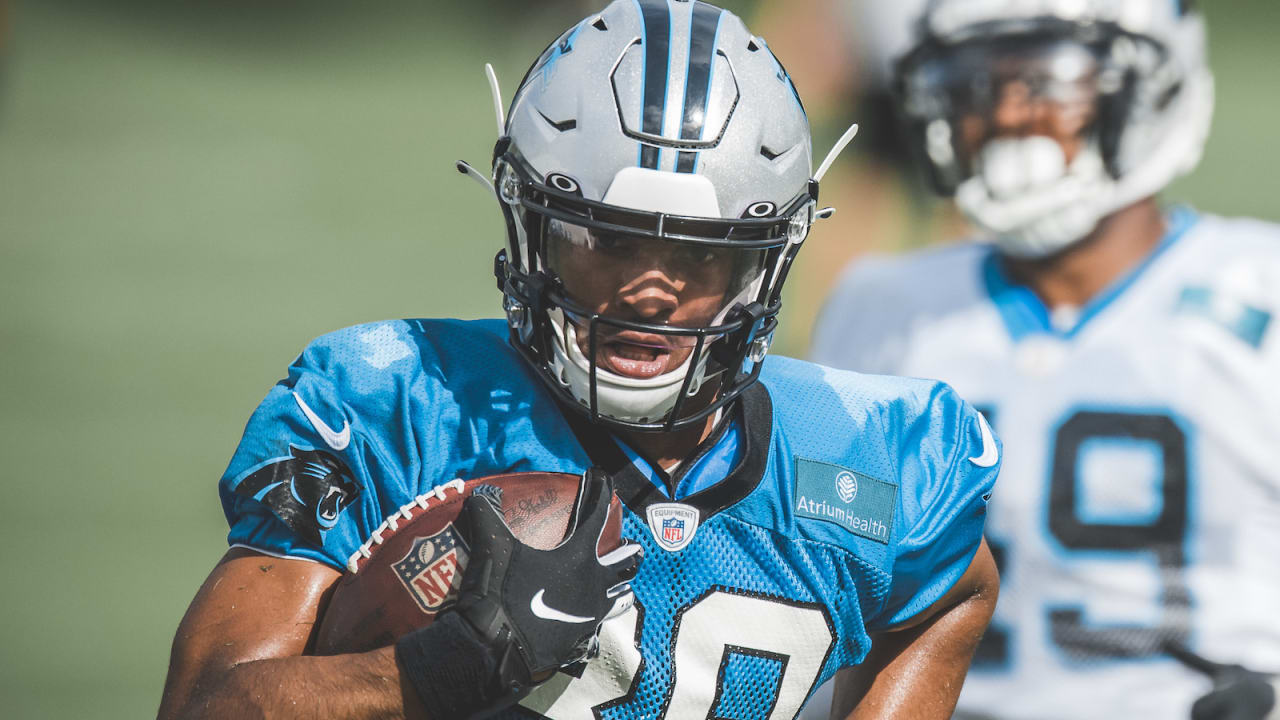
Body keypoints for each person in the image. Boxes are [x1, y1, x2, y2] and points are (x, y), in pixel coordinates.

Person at [158, 2, 1000, 718]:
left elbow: (954, 593)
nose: (649, 292)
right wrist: (431, 670)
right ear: (532, 228)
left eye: (704, 257)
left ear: (767, 264)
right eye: (607, 241)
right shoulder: (400, 402)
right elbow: (206, 703)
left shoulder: (873, 448)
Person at [813, 1, 1280, 718]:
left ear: (1156, 85)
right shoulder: (882, 309)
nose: (1007, 114)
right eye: (974, 83)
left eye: (1047, 82)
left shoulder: (1260, 292)